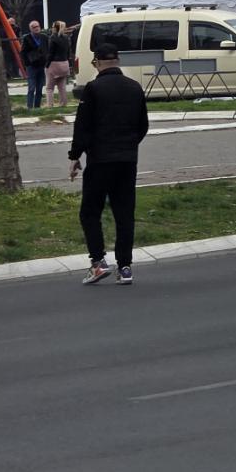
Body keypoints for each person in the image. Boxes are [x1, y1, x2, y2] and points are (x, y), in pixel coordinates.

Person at [69, 42, 150, 285]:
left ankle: (98, 262)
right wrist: (129, 145)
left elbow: (82, 126)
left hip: (100, 160)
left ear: (98, 63)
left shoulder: (93, 89)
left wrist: (75, 156)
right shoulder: (134, 87)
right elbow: (143, 125)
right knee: (124, 214)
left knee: (90, 212)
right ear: (118, 61)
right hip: (127, 160)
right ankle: (125, 267)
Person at [20, 20, 48, 111]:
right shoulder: (27, 38)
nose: (36, 28)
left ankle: (37, 106)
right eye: (34, 27)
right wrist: (27, 63)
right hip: (31, 66)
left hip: (41, 65)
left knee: (39, 88)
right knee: (32, 87)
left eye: (37, 26)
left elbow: (47, 49)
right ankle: (29, 106)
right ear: (30, 29)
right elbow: (23, 52)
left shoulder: (44, 37)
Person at [45, 20, 73, 106]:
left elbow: (51, 53)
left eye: (53, 27)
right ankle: (63, 103)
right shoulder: (66, 38)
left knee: (49, 87)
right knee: (62, 87)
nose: (52, 28)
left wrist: (47, 65)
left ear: (55, 28)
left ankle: (50, 104)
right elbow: (69, 52)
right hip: (64, 63)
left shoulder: (53, 37)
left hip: (54, 64)